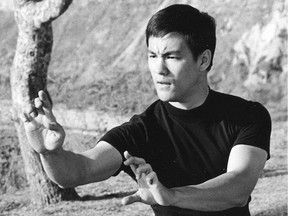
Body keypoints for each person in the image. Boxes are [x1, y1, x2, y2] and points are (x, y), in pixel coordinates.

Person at [21, 4, 271, 216]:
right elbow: (76, 171)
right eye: (152, 55)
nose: (158, 69)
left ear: (203, 60)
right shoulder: (141, 130)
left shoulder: (247, 116)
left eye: (171, 57)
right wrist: (49, 153)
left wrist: (171, 196)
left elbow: (238, 188)